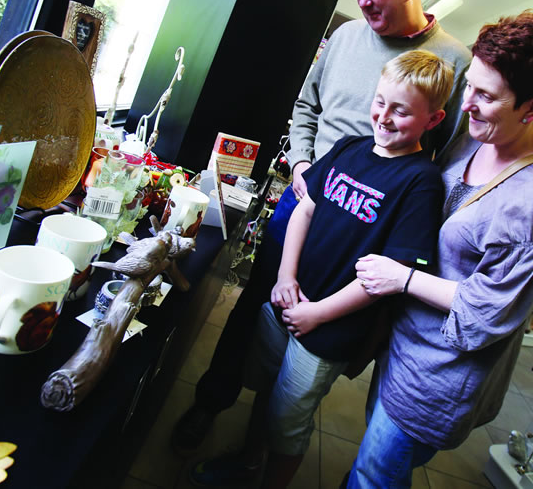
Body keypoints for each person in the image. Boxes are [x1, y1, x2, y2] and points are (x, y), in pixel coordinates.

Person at [172, 0, 472, 451]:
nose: (364, 1)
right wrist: (304, 162)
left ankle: (261, 440)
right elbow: (305, 106)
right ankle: (210, 402)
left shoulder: (452, 62)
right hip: (309, 195)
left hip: (367, 221)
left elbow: (442, 155)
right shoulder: (347, 36)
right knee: (257, 307)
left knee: (314, 335)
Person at [193, 51, 454, 487]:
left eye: (402, 111)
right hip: (287, 301)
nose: (384, 117)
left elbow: (386, 277)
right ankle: (246, 461)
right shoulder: (350, 147)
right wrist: (284, 276)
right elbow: (305, 210)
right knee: (265, 393)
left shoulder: (420, 182)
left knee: (288, 424)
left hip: (329, 330)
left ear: (433, 120)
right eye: (380, 102)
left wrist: (318, 313)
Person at [349, 10, 533, 487]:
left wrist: (403, 278)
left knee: (373, 477)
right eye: (469, 85)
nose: (467, 103)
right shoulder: (474, 138)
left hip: (437, 376)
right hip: (400, 348)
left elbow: (487, 314)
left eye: (486, 96)